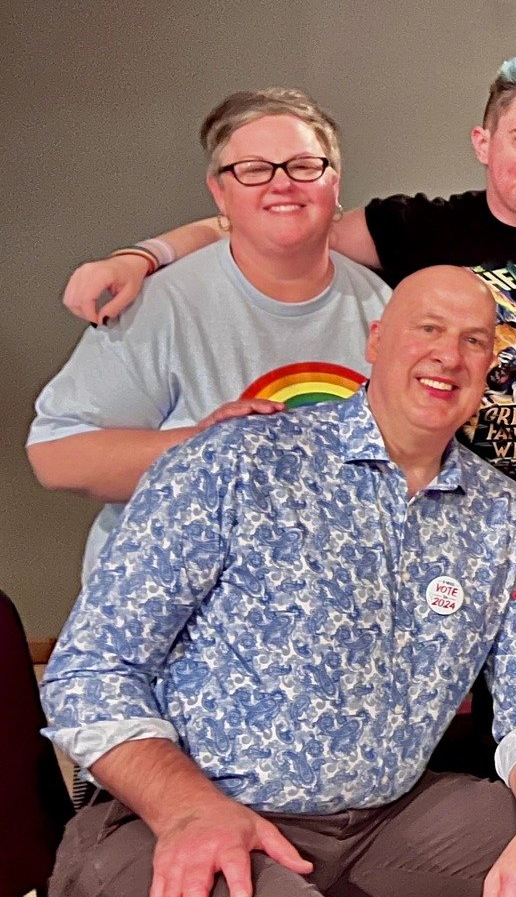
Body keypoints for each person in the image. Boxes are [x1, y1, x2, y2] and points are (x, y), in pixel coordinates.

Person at [54, 55, 516, 897]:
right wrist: (188, 806)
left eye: (478, 342)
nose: (452, 356)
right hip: (175, 809)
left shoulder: (499, 513)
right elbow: (85, 673)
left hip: (381, 820)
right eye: (428, 330)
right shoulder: (234, 459)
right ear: (372, 337)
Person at [32, 89, 389, 573]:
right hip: (177, 599)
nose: (281, 184)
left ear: (335, 183)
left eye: (304, 165)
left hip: (329, 601)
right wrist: (207, 447)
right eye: (253, 169)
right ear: (219, 192)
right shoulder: (161, 304)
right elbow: (56, 455)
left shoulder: (384, 306)